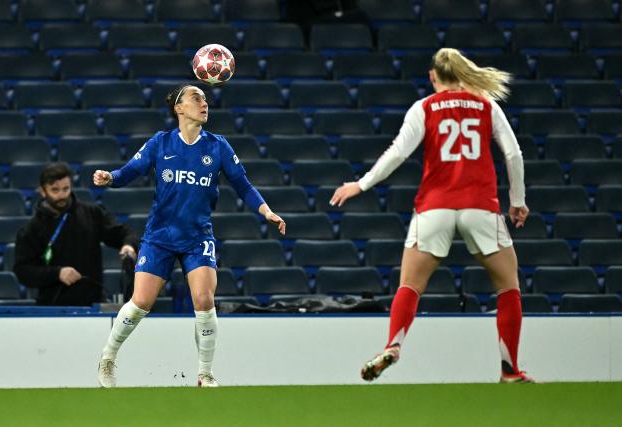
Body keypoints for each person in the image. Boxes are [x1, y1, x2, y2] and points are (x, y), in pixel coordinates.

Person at [331, 48, 533, 383]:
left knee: (410, 285)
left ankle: (393, 345)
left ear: (432, 77)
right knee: (508, 285)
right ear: (463, 74)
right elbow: (513, 153)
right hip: (480, 206)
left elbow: (398, 153)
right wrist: (518, 199)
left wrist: (361, 184)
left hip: (434, 207)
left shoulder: (423, 108)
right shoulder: (486, 105)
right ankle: (509, 369)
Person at [93, 84, 286, 388]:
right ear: (179, 108)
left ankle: (205, 374)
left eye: (206, 99)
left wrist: (266, 211)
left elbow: (243, 185)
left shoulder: (218, 146)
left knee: (204, 299)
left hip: (198, 237)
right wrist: (111, 178)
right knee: (141, 301)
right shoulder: (161, 143)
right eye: (196, 98)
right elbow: (131, 170)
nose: (204, 103)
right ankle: (107, 357)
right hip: (160, 236)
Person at [14, 162, 138, 306]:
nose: (61, 195)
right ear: (42, 191)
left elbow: (124, 233)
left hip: (92, 302)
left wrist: (129, 245)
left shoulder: (92, 214)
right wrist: (57, 273)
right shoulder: (31, 229)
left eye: (66, 189)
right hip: (52, 307)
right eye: (55, 190)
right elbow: (23, 271)